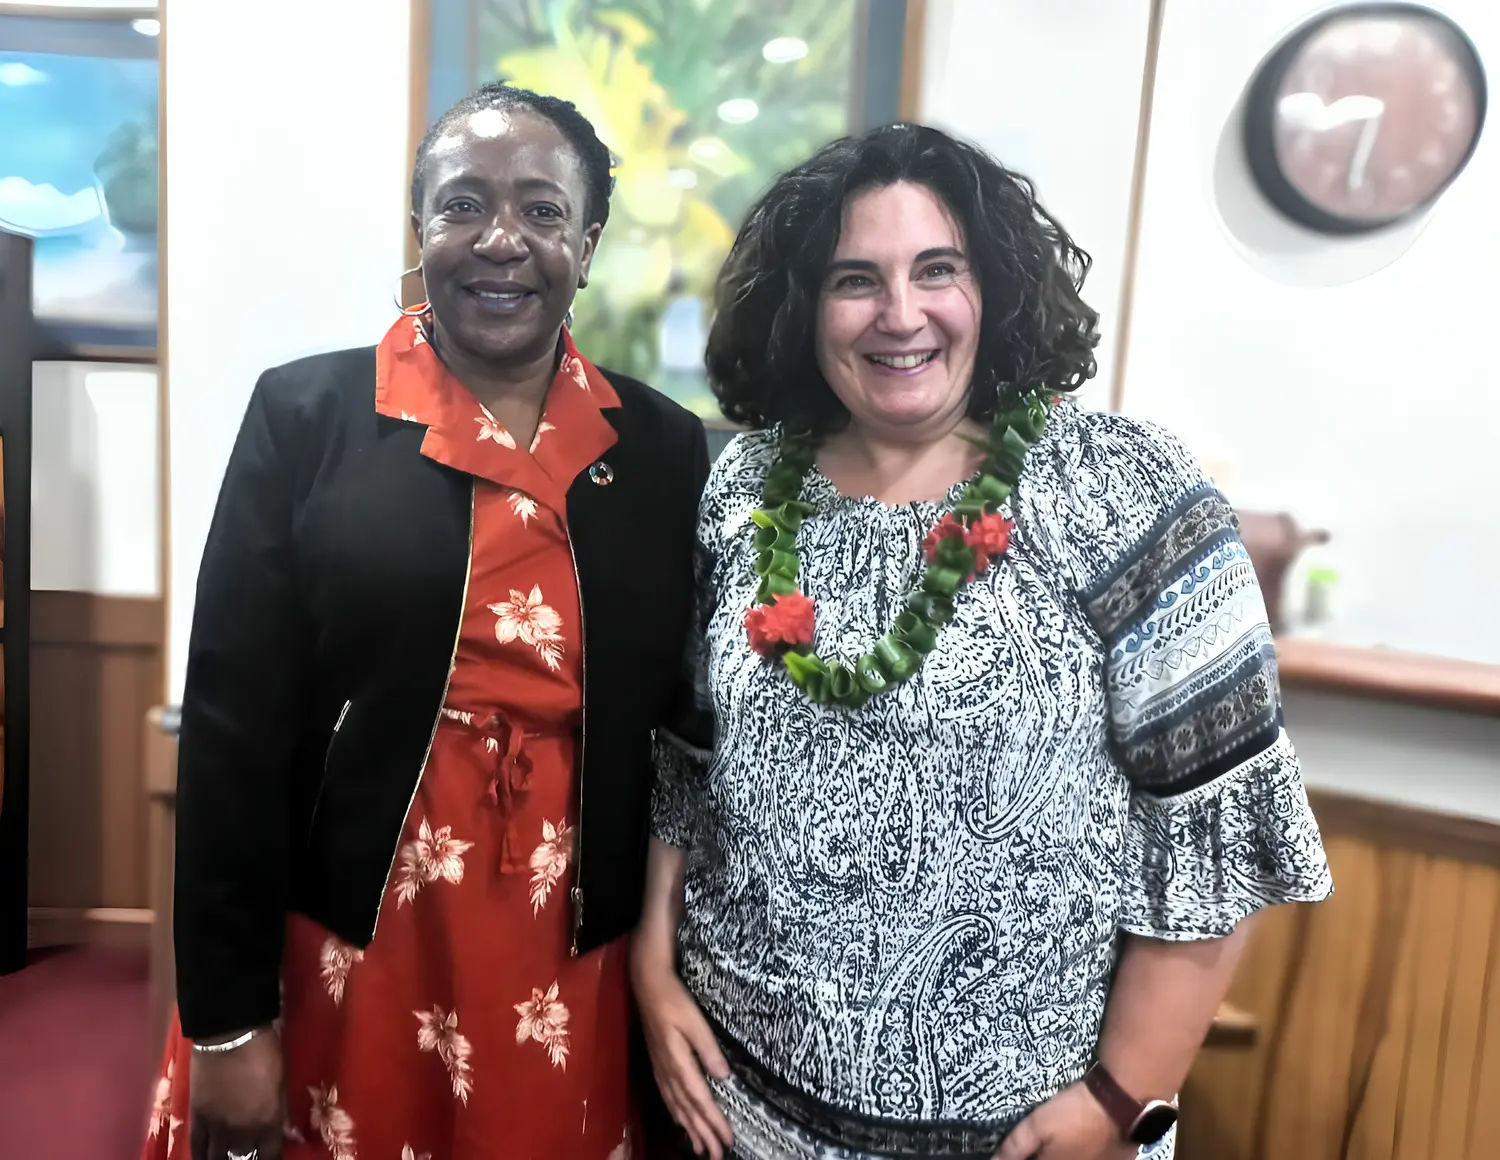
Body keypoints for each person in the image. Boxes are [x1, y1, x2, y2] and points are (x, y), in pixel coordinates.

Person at [631, 123, 1333, 1160]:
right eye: (854, 279)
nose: (901, 313)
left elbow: (1216, 835)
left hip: (1026, 1134)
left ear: (993, 287)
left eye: (937, 271)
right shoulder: (744, 484)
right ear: (801, 307)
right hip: (739, 1108)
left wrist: (1119, 1096)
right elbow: (689, 756)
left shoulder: (1121, 488)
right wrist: (652, 962)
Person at [144, 83, 707, 1160]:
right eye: (463, 205)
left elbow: (685, 734)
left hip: (570, 938)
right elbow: (233, 732)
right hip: (355, 925)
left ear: (586, 244)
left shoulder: (666, 448)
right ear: (421, 230)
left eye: (543, 211)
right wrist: (226, 1016)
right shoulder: (306, 417)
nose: (502, 239)